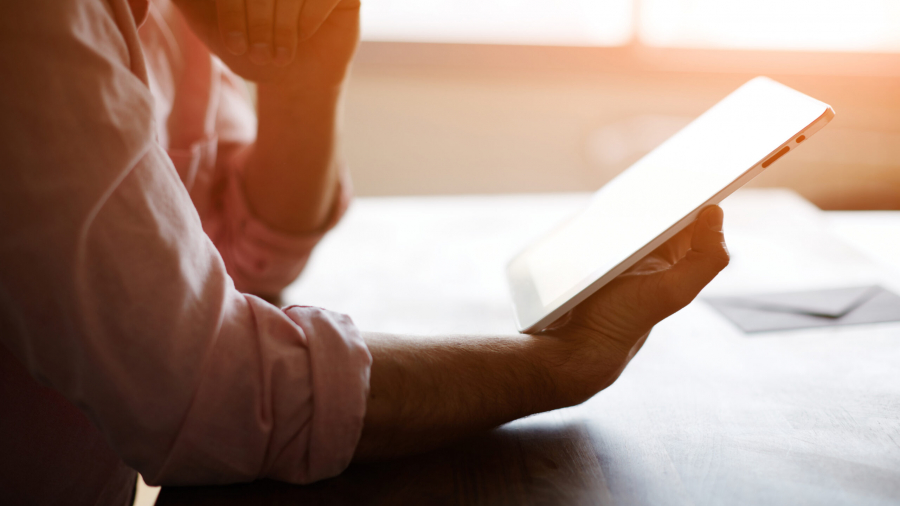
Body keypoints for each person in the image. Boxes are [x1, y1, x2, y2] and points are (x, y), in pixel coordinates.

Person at [0, 0, 730, 504]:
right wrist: (558, 363)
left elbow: (247, 253)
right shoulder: (36, 29)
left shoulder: (174, 23)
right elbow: (208, 386)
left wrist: (307, 85)